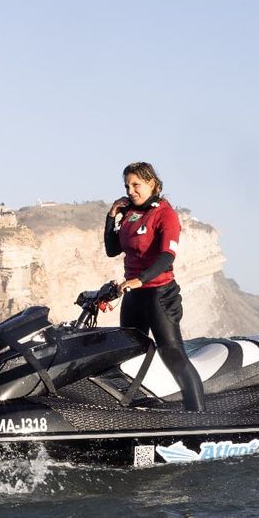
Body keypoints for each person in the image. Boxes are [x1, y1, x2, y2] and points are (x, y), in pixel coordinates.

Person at [105, 161, 205, 412]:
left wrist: (141, 279)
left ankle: (199, 418)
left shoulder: (165, 214)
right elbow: (112, 249)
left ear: (152, 184)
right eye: (127, 186)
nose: (130, 191)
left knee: (172, 354)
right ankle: (137, 412)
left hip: (159, 294)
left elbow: (167, 256)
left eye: (136, 185)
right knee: (128, 356)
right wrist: (111, 216)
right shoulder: (130, 213)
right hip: (134, 297)